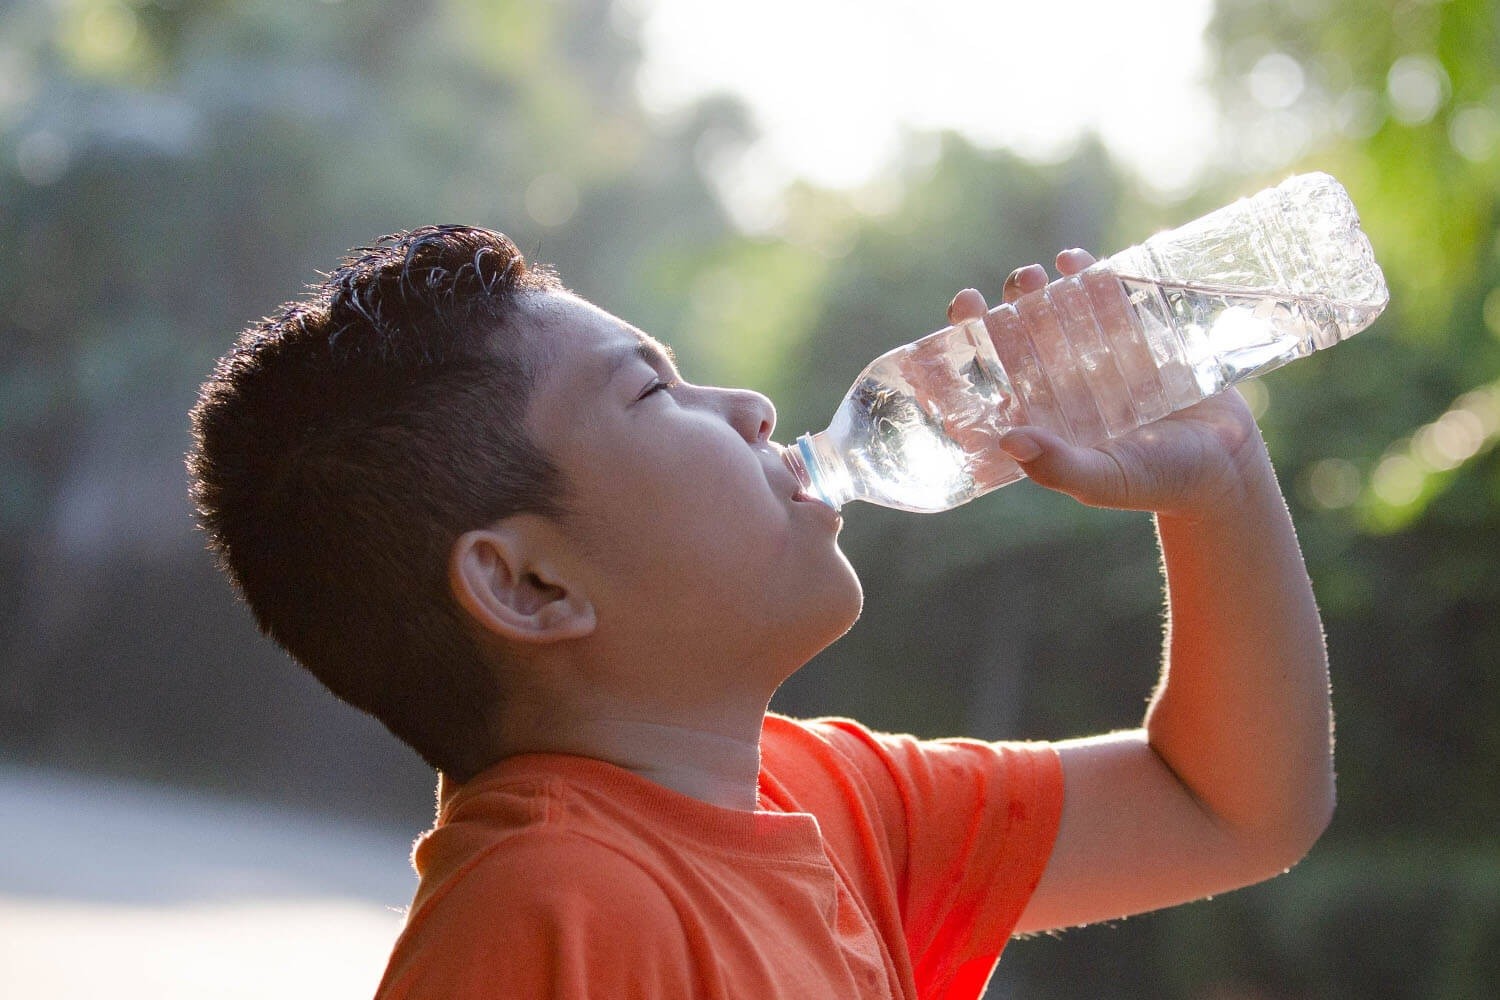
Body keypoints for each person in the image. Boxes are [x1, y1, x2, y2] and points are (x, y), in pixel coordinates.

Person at [187, 225, 1335, 999]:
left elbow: (1231, 805)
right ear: (528, 585)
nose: (749, 407)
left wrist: (1222, 476)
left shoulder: (829, 802)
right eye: (653, 390)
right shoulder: (556, 914)